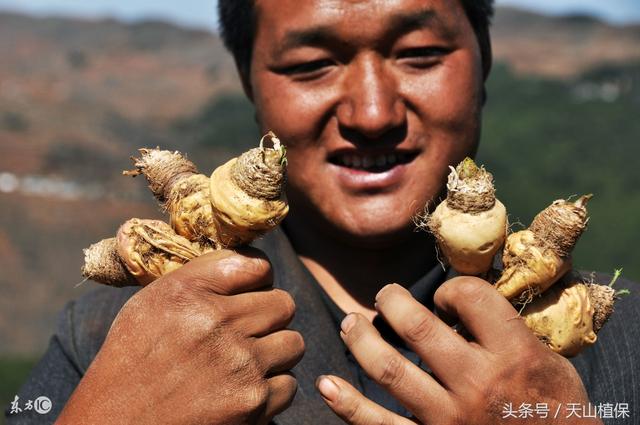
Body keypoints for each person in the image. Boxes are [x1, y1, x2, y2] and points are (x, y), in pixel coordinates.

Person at [6, 1, 639, 424]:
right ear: (249, 84)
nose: (372, 114)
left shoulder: (623, 342)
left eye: (419, 55)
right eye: (311, 65)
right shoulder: (109, 337)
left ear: (485, 64)